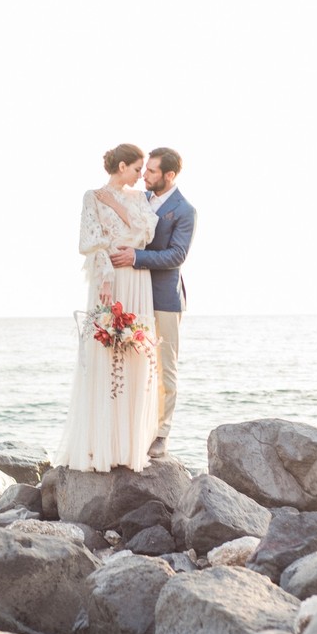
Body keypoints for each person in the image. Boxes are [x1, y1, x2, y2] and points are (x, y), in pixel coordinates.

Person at [55, 143, 159, 472]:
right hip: (110, 279)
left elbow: (145, 235)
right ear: (121, 165)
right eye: (136, 168)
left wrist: (118, 203)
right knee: (104, 353)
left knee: (134, 351)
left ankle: (129, 447)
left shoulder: (139, 198)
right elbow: (89, 242)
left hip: (136, 279)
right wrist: (103, 279)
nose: (141, 175)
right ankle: (100, 444)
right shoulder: (91, 197)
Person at [110, 147, 196, 458]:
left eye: (152, 171)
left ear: (169, 176)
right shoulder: (139, 199)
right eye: (144, 170)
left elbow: (177, 255)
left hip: (163, 298)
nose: (144, 175)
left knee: (165, 368)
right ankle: (134, 426)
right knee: (134, 364)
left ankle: (161, 433)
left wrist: (135, 257)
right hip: (134, 295)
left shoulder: (185, 210)